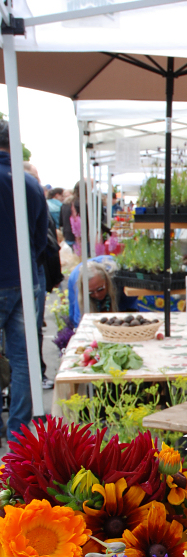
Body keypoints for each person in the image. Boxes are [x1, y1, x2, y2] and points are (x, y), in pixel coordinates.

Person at [0, 121, 48, 441]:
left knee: (20, 359)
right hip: (23, 277)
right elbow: (41, 237)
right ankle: (18, 431)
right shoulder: (29, 184)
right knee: (24, 360)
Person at [25, 164, 63, 390]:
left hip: (24, 270)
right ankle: (35, 378)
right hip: (29, 270)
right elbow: (45, 239)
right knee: (29, 334)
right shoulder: (33, 190)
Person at [68, 257, 120, 327]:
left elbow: (130, 309)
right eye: (91, 292)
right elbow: (78, 322)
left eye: (100, 289)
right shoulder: (78, 284)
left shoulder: (118, 279)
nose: (97, 295)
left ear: (107, 281)